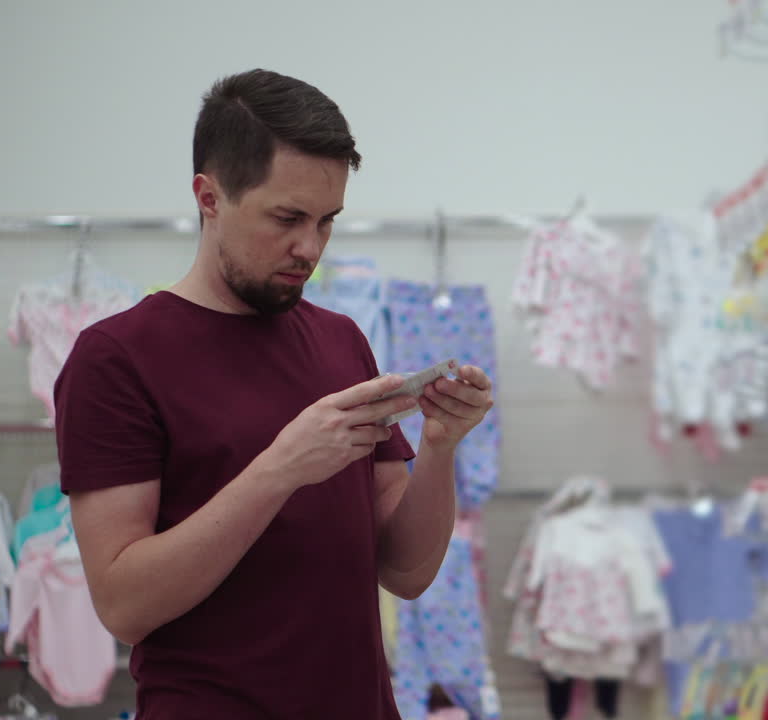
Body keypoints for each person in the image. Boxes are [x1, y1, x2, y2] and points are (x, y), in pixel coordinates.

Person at [54, 68, 493, 719]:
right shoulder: (117, 358)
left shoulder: (342, 341)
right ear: (209, 197)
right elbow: (124, 606)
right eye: (286, 218)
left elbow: (405, 571)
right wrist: (282, 468)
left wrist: (439, 447)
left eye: (327, 221)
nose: (309, 247)